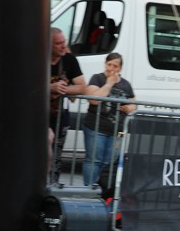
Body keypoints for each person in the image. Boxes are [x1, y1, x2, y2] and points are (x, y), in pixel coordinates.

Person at [82, 53, 135, 186]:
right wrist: (109, 84)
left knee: (109, 163)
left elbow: (134, 103)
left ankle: (103, 192)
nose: (111, 68)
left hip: (117, 131)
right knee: (93, 161)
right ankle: (89, 191)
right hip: (96, 127)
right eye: (109, 64)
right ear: (105, 64)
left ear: (120, 68)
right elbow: (93, 100)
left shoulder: (126, 84)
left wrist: (130, 108)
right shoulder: (97, 78)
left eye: (115, 66)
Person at [48, 27, 87, 184]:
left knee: (57, 154)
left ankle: (52, 187)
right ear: (48, 45)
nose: (64, 46)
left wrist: (63, 89)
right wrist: (50, 87)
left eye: (64, 42)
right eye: (58, 44)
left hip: (59, 116)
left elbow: (82, 87)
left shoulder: (69, 59)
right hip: (37, 115)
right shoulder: (37, 57)